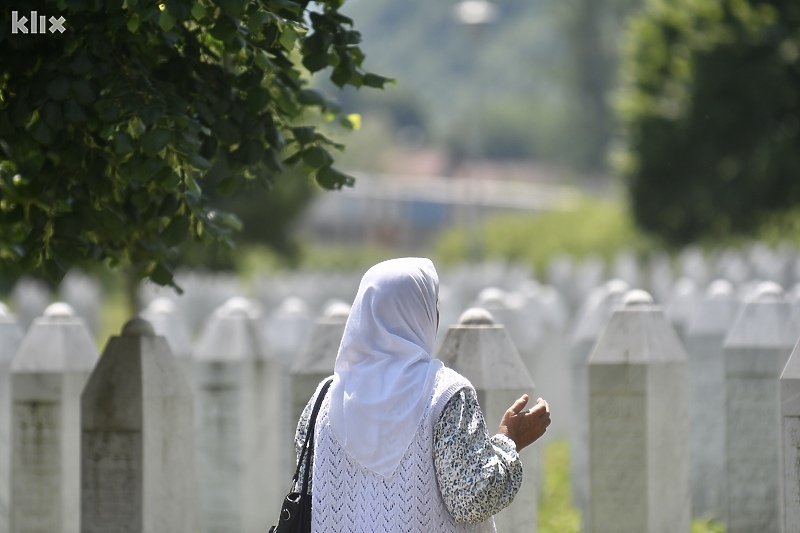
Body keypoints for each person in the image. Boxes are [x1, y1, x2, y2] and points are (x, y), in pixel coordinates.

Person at [294, 257, 551, 532]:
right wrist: (510, 439)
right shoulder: (446, 394)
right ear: (421, 314)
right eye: (433, 304)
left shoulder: (324, 398)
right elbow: (472, 499)